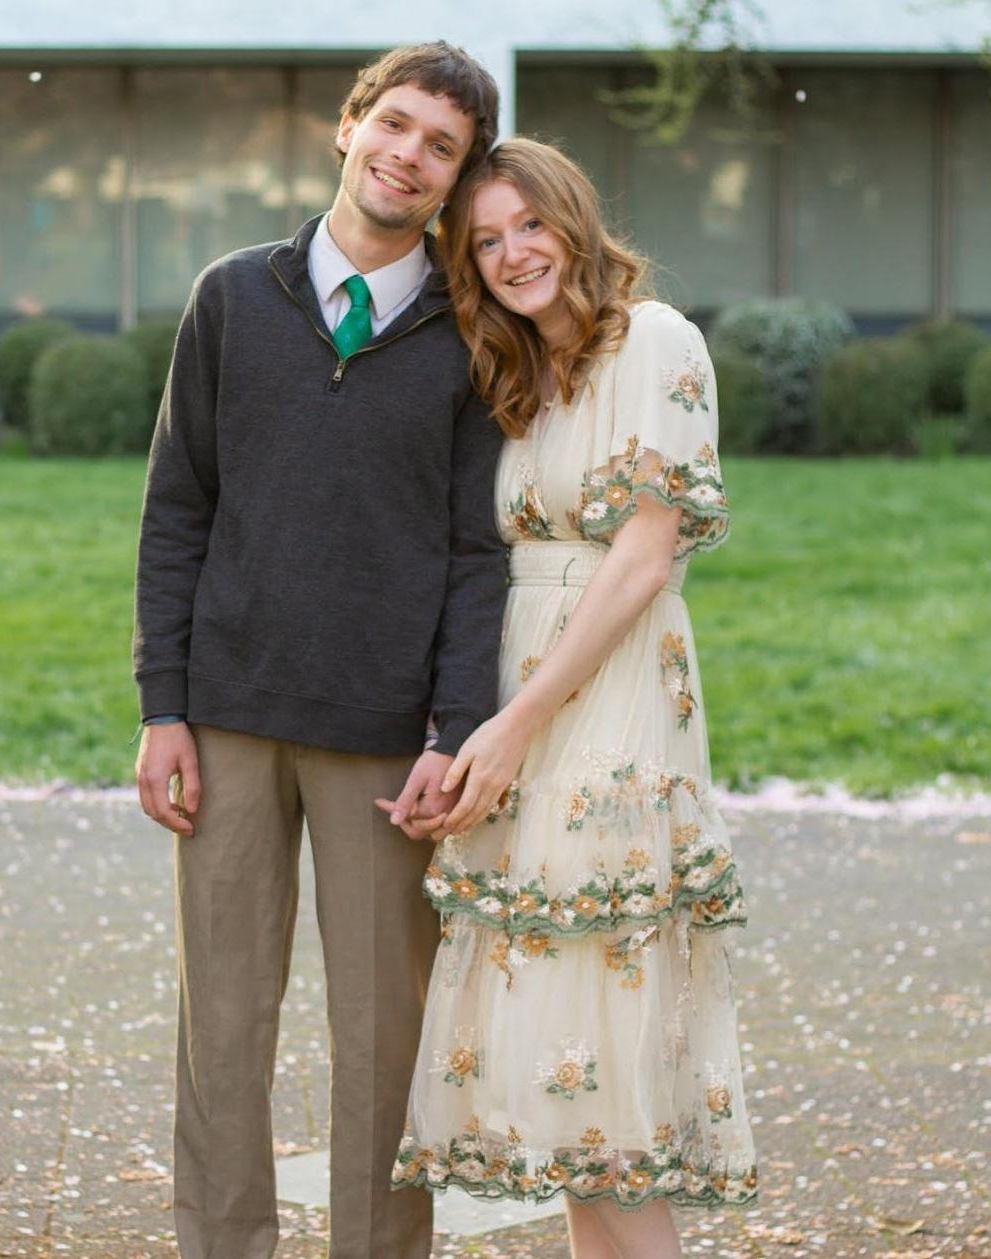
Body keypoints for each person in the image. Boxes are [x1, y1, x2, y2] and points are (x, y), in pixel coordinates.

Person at [132, 43, 507, 1259]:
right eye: (393, 125)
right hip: (227, 718)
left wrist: (454, 730)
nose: (408, 155)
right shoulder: (232, 298)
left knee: (386, 1035)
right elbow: (177, 508)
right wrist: (162, 704)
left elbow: (478, 553)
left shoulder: (472, 335)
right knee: (223, 1025)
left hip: (386, 740)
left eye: (440, 146)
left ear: (455, 178)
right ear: (348, 128)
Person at [390, 138, 758, 1258]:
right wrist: (473, 723)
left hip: (607, 696)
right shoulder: (521, 372)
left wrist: (515, 724)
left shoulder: (655, 340)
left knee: (598, 1037)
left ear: (575, 219)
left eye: (530, 225)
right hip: (521, 692)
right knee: (563, 1084)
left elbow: (642, 559)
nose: (513, 254)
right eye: (485, 241)